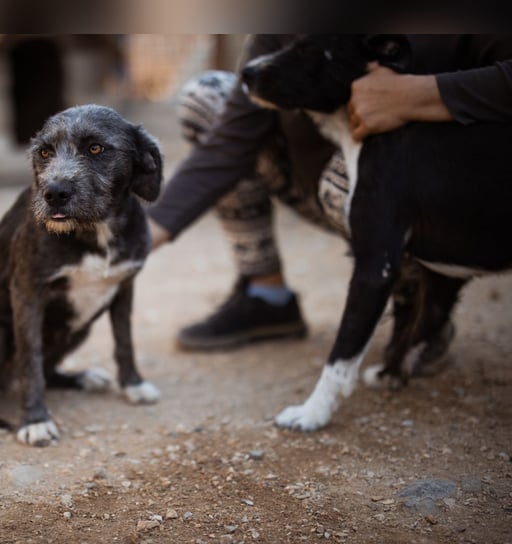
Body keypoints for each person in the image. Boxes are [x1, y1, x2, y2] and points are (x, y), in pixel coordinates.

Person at [146, 34, 512, 357]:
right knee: (208, 97)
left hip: (445, 193)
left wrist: (419, 95)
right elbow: (229, 140)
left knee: (365, 170)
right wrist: (135, 238)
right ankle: (266, 297)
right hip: (329, 181)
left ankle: (417, 289)